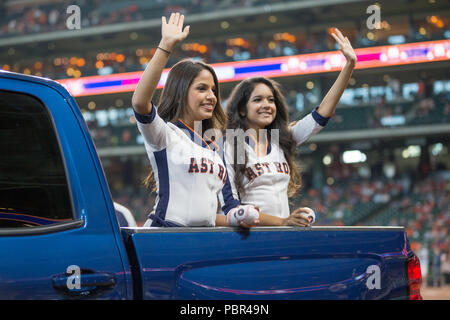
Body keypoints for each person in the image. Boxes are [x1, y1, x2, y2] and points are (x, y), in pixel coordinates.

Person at [132, 13, 310, 228]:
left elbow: (212, 214)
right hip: (164, 235)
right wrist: (165, 47)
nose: (211, 96)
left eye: (213, 90)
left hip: (204, 240)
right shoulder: (164, 134)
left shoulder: (215, 145)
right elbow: (140, 102)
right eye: (201, 89)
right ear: (179, 93)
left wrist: (243, 216)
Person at [223, 28, 357, 221]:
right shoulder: (230, 146)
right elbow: (231, 208)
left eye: (271, 100)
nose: (267, 105)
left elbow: (320, 116)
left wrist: (349, 66)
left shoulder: (282, 138)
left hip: (282, 235)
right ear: (242, 109)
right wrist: (281, 222)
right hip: (249, 239)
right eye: (258, 100)